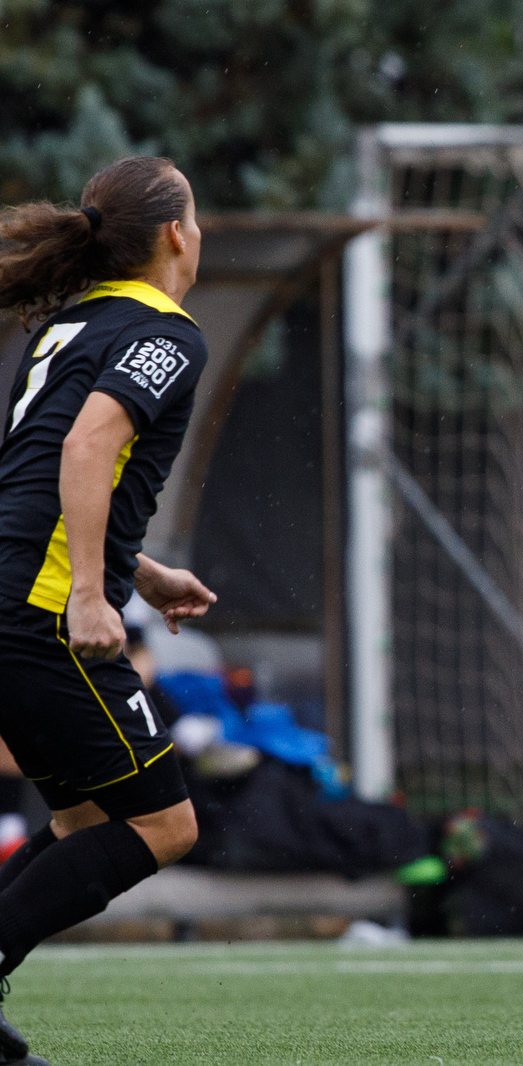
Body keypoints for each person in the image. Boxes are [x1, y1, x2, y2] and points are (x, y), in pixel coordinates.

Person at [0, 156, 216, 1064]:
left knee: (85, 823)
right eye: (196, 217)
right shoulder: (165, 331)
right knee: (166, 825)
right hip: (44, 613)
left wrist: (142, 569)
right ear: (174, 235)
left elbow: (36, 475)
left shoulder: (73, 324)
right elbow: (88, 446)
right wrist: (94, 594)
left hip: (9, 598)